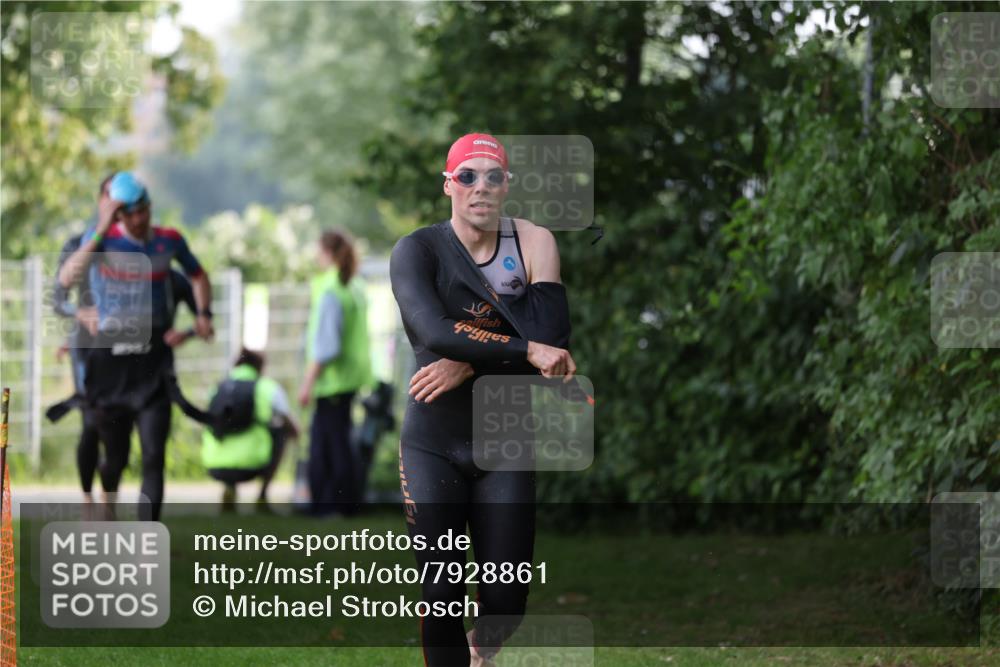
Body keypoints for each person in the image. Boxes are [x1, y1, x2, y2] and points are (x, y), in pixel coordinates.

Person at [389, 133, 576, 667]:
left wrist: (472, 359)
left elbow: (554, 339)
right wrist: (522, 348)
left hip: (506, 440)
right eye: (467, 176)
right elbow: (434, 330)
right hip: (432, 442)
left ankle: (483, 651)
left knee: (504, 603)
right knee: (441, 595)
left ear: (507, 185)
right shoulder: (417, 250)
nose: (481, 187)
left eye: (493, 176)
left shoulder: (534, 242)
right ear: (448, 184)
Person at [58, 171, 214, 521]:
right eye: (131, 213)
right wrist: (100, 227)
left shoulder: (170, 240)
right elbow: (66, 279)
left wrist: (204, 313)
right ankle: (105, 501)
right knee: (115, 457)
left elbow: (199, 275)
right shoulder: (101, 240)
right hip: (110, 362)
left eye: (144, 209)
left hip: (153, 361)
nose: (140, 219)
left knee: (154, 453)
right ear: (119, 215)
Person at [298, 229, 373, 516]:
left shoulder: (331, 288)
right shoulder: (354, 285)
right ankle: (345, 504)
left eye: (318, 252)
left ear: (327, 253)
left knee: (326, 446)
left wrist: (307, 382)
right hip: (350, 377)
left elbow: (326, 346)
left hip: (332, 380)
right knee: (341, 441)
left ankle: (327, 505)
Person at [202, 348, 298, 511]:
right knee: (281, 431)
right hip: (254, 465)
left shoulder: (218, 388)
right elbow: (292, 426)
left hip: (214, 465)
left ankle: (229, 488)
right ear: (260, 367)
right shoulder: (267, 387)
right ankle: (262, 496)